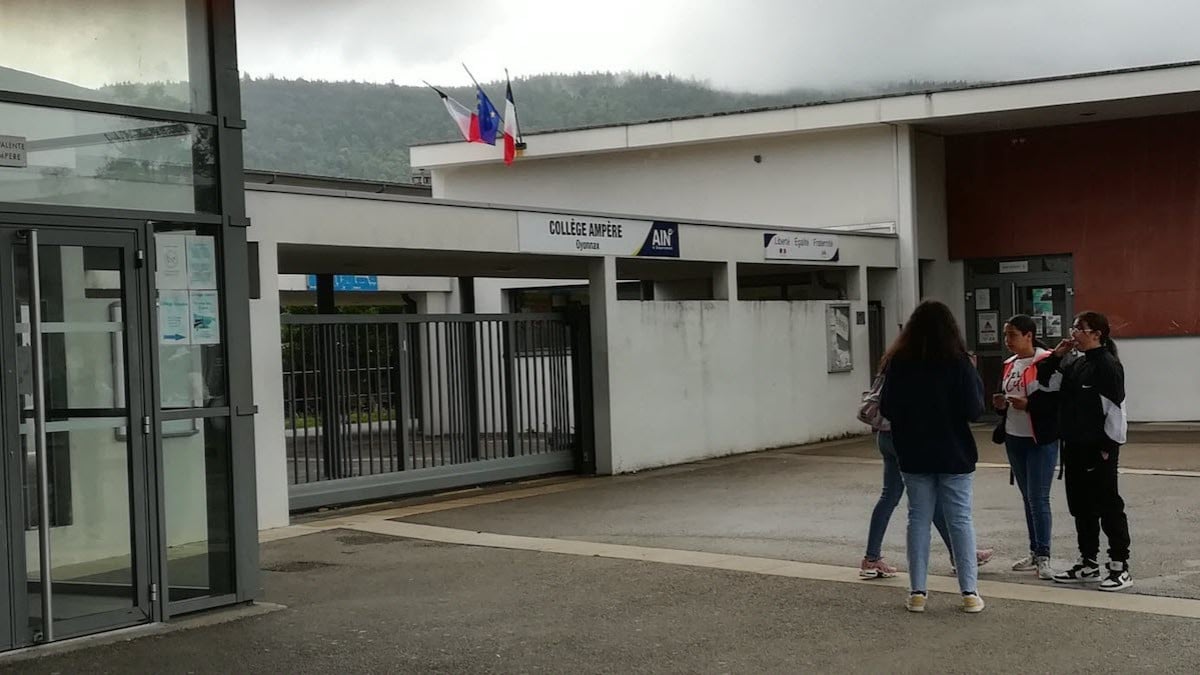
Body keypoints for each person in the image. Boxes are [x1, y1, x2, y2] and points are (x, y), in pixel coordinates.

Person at [880, 301, 987, 613]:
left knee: (918, 519)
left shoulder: (899, 362)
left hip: (914, 452)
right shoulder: (959, 363)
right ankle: (969, 591)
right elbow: (974, 410)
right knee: (960, 520)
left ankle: (918, 592)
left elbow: (887, 408)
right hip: (954, 452)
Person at [1037, 311, 1133, 591]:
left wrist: (1107, 447)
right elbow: (1047, 383)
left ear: (1097, 334)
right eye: (1073, 327)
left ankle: (1119, 565)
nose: (1073, 333)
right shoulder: (1076, 364)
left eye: (1079, 328)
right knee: (1081, 506)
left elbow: (1116, 411)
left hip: (1098, 449)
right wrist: (1056, 356)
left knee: (1107, 505)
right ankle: (1088, 562)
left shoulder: (1107, 365)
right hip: (1074, 446)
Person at [861, 402, 994, 580]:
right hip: (906, 436)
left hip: (885, 435)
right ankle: (959, 554)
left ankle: (871, 558)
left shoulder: (888, 373)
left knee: (889, 495)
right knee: (928, 496)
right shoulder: (910, 373)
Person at [992, 315, 1060, 580]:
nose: (1007, 340)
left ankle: (1044, 554)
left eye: (1012, 335)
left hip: (1039, 438)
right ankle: (1034, 551)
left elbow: (1056, 401)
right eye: (1006, 334)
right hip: (1014, 435)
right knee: (1027, 497)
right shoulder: (1009, 364)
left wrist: (1029, 405)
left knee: (1039, 497)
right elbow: (1009, 396)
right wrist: (1001, 405)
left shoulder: (1047, 361)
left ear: (1029, 335)